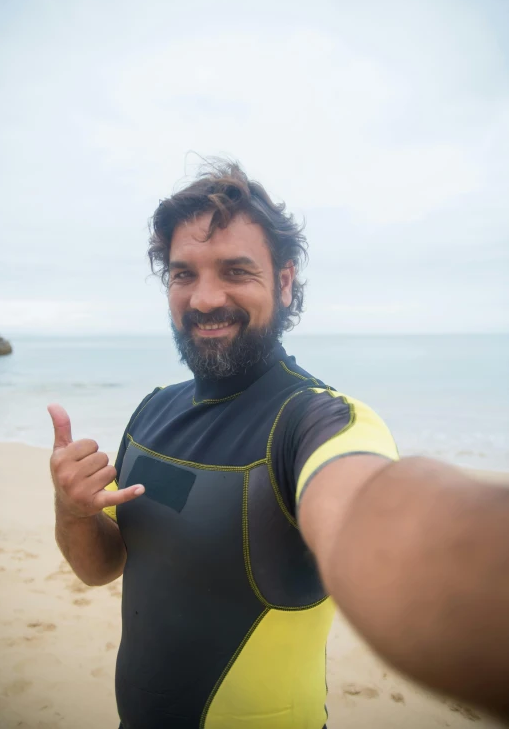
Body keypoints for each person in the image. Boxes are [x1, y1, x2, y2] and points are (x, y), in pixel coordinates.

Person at [48, 161, 509, 728]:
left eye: (235, 271)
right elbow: (105, 566)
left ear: (285, 281)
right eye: (182, 274)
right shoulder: (153, 410)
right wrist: (72, 511)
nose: (204, 298)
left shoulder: (315, 421)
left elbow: (371, 511)